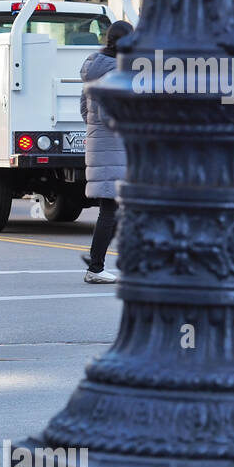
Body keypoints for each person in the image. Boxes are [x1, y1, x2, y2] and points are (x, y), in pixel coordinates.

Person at [79, 20, 134, 284]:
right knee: (112, 209)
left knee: (115, 208)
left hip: (102, 146)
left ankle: (96, 260)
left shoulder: (94, 67)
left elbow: (85, 109)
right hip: (116, 147)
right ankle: (96, 266)